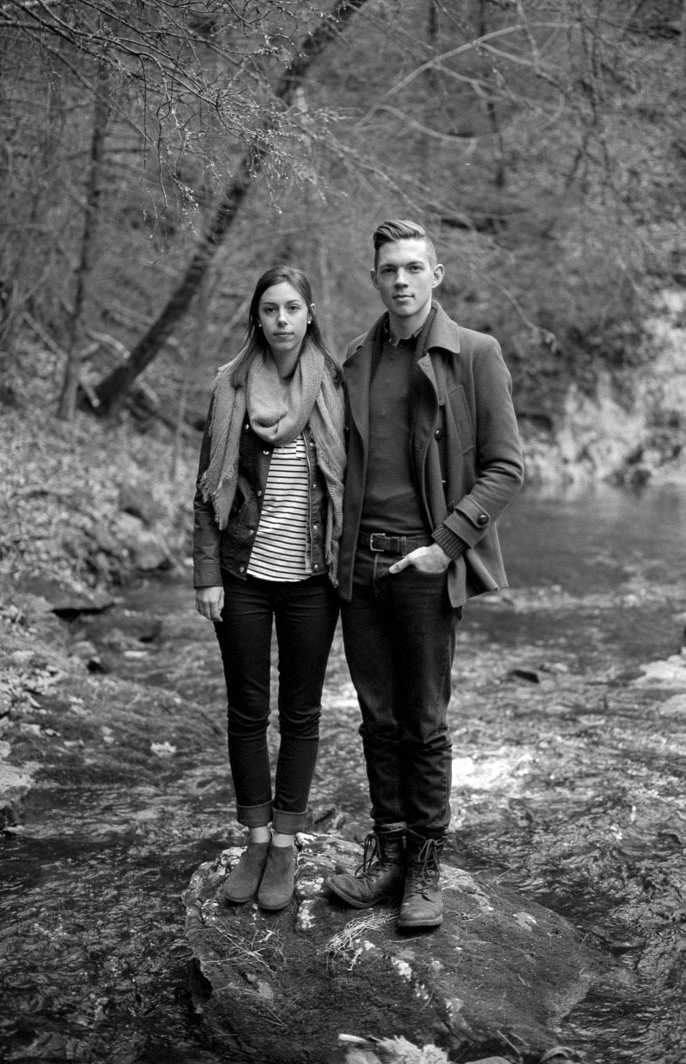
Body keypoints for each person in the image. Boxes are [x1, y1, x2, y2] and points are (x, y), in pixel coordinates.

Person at [326, 220, 524, 930]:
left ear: (436, 275)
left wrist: (447, 545)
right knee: (376, 717)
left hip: (424, 561)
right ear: (375, 279)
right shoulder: (355, 357)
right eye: (389, 270)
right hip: (358, 563)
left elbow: (507, 468)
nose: (401, 280)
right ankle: (387, 852)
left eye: (414, 267)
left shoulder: (474, 353)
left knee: (424, 719)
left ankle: (426, 865)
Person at [193, 265, 345, 911]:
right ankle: (255, 839)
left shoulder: (335, 387)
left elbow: (353, 483)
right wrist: (206, 576)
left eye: (292, 308)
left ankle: (285, 845)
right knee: (248, 713)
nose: (281, 320)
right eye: (270, 310)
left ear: (309, 314)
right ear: (256, 318)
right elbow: (205, 490)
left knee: (302, 714)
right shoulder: (229, 387)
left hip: (314, 578)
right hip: (243, 576)